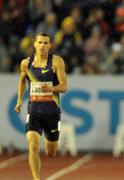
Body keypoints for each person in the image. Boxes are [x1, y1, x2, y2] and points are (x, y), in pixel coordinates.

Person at [15, 33, 68, 180]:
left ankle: (49, 140)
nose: (43, 46)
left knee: (51, 152)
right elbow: (22, 81)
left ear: (50, 46)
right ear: (35, 45)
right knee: (33, 145)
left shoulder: (56, 62)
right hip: (34, 112)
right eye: (40, 43)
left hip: (52, 113)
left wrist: (50, 89)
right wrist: (19, 100)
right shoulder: (26, 63)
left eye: (46, 43)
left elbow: (64, 87)